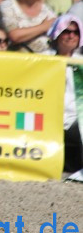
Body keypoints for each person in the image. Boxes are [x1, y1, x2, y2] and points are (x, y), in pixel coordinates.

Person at [44, 14, 83, 172]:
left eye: (75, 32)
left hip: (75, 120)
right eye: (66, 31)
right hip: (46, 117)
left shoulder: (81, 62)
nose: (71, 36)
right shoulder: (41, 59)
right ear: (57, 33)